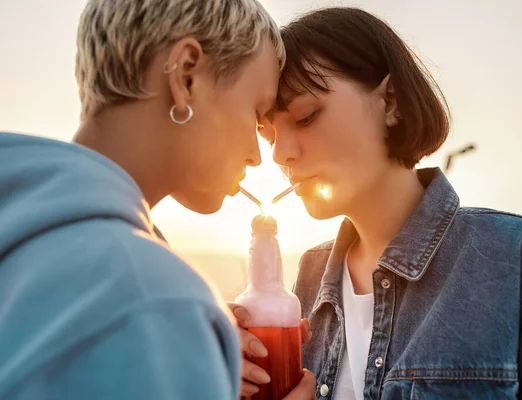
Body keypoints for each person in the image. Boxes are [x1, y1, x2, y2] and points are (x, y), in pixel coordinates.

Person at [236, 7, 522, 399]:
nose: (280, 154)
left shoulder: (511, 254)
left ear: (390, 101)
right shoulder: (308, 276)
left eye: (305, 117)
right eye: (269, 133)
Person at [0, 0, 316, 398]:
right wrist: (175, 330)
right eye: (255, 114)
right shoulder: (150, 300)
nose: (256, 155)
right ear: (185, 77)